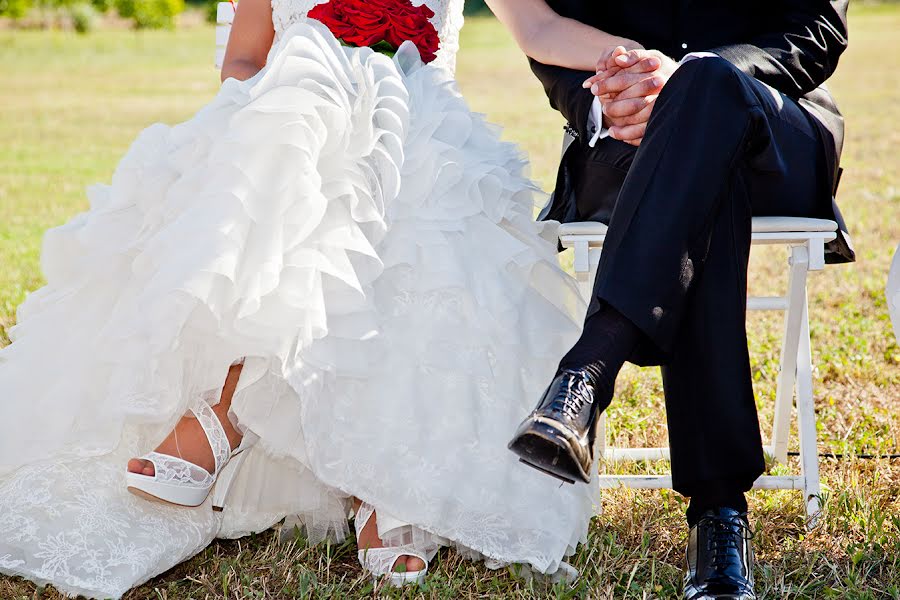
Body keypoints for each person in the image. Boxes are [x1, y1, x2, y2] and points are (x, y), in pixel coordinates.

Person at [0, 0, 611, 597]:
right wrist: (282, 106)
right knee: (307, 137)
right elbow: (242, 61)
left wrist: (652, 60)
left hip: (421, 135)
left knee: (395, 191)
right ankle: (369, 482)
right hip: (287, 125)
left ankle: (231, 412)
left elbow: (539, 24)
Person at [488, 0, 852, 598]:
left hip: (773, 119)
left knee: (707, 88)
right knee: (704, 169)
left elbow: (817, 28)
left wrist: (692, 79)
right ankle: (718, 515)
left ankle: (588, 370)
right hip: (623, 132)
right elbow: (548, 28)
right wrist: (609, 98)